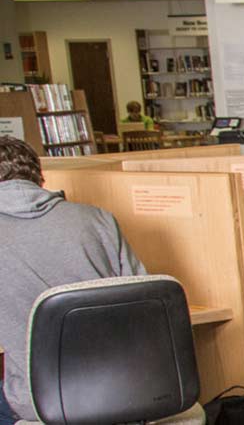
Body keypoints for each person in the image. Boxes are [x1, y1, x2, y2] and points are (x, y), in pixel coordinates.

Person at [0, 136, 147, 425]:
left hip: (40, 404)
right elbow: (142, 301)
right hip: (125, 392)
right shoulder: (99, 220)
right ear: (38, 176)